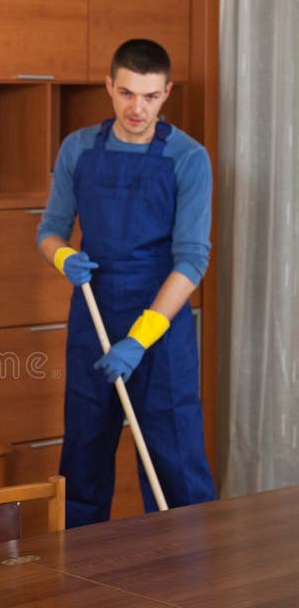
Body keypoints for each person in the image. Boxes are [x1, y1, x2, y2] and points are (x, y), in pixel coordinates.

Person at [37, 38, 216, 528]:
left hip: (161, 332)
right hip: (94, 318)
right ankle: (79, 582)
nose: (138, 108)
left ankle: (191, 585)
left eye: (151, 96)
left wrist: (138, 339)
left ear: (167, 92)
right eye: (127, 93)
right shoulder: (78, 149)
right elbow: (49, 231)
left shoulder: (188, 158)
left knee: (175, 465)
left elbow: (192, 261)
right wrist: (64, 258)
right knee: (84, 458)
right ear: (109, 87)